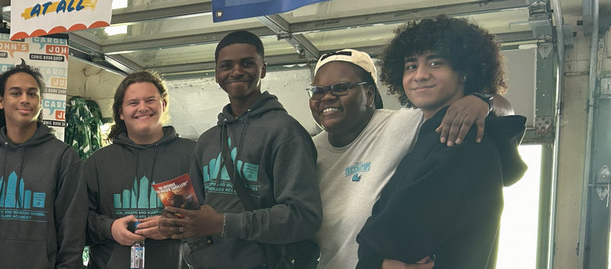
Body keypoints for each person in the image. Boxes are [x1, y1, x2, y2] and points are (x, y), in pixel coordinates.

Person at [308, 49, 508, 268]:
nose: (326, 97)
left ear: (370, 93)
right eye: (318, 90)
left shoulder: (403, 124)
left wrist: (483, 102)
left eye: (341, 88)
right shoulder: (308, 150)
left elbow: (505, 115)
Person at [355, 15, 528, 268]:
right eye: (411, 66)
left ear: (465, 73)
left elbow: (399, 235)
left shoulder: (458, 138)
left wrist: (372, 257)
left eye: (435, 63)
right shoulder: (428, 132)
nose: (420, 75)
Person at [158, 30, 323, 268]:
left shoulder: (286, 133)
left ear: (263, 69)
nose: (236, 71)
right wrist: (176, 224)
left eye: (247, 63)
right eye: (226, 65)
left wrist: (225, 223)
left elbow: (304, 217)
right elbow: (197, 214)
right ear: (216, 74)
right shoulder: (208, 141)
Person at [0, 65, 85, 268]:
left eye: (32, 93)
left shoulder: (64, 158)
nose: (25, 99)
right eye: (16, 93)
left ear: (39, 102)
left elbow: (72, 234)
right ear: (1, 101)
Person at [84, 71, 195, 269]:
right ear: (120, 112)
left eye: (150, 100)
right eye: (133, 103)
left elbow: (213, 216)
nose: (142, 108)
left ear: (163, 104)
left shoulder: (191, 155)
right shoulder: (98, 162)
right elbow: (77, 221)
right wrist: (109, 228)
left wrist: (173, 227)